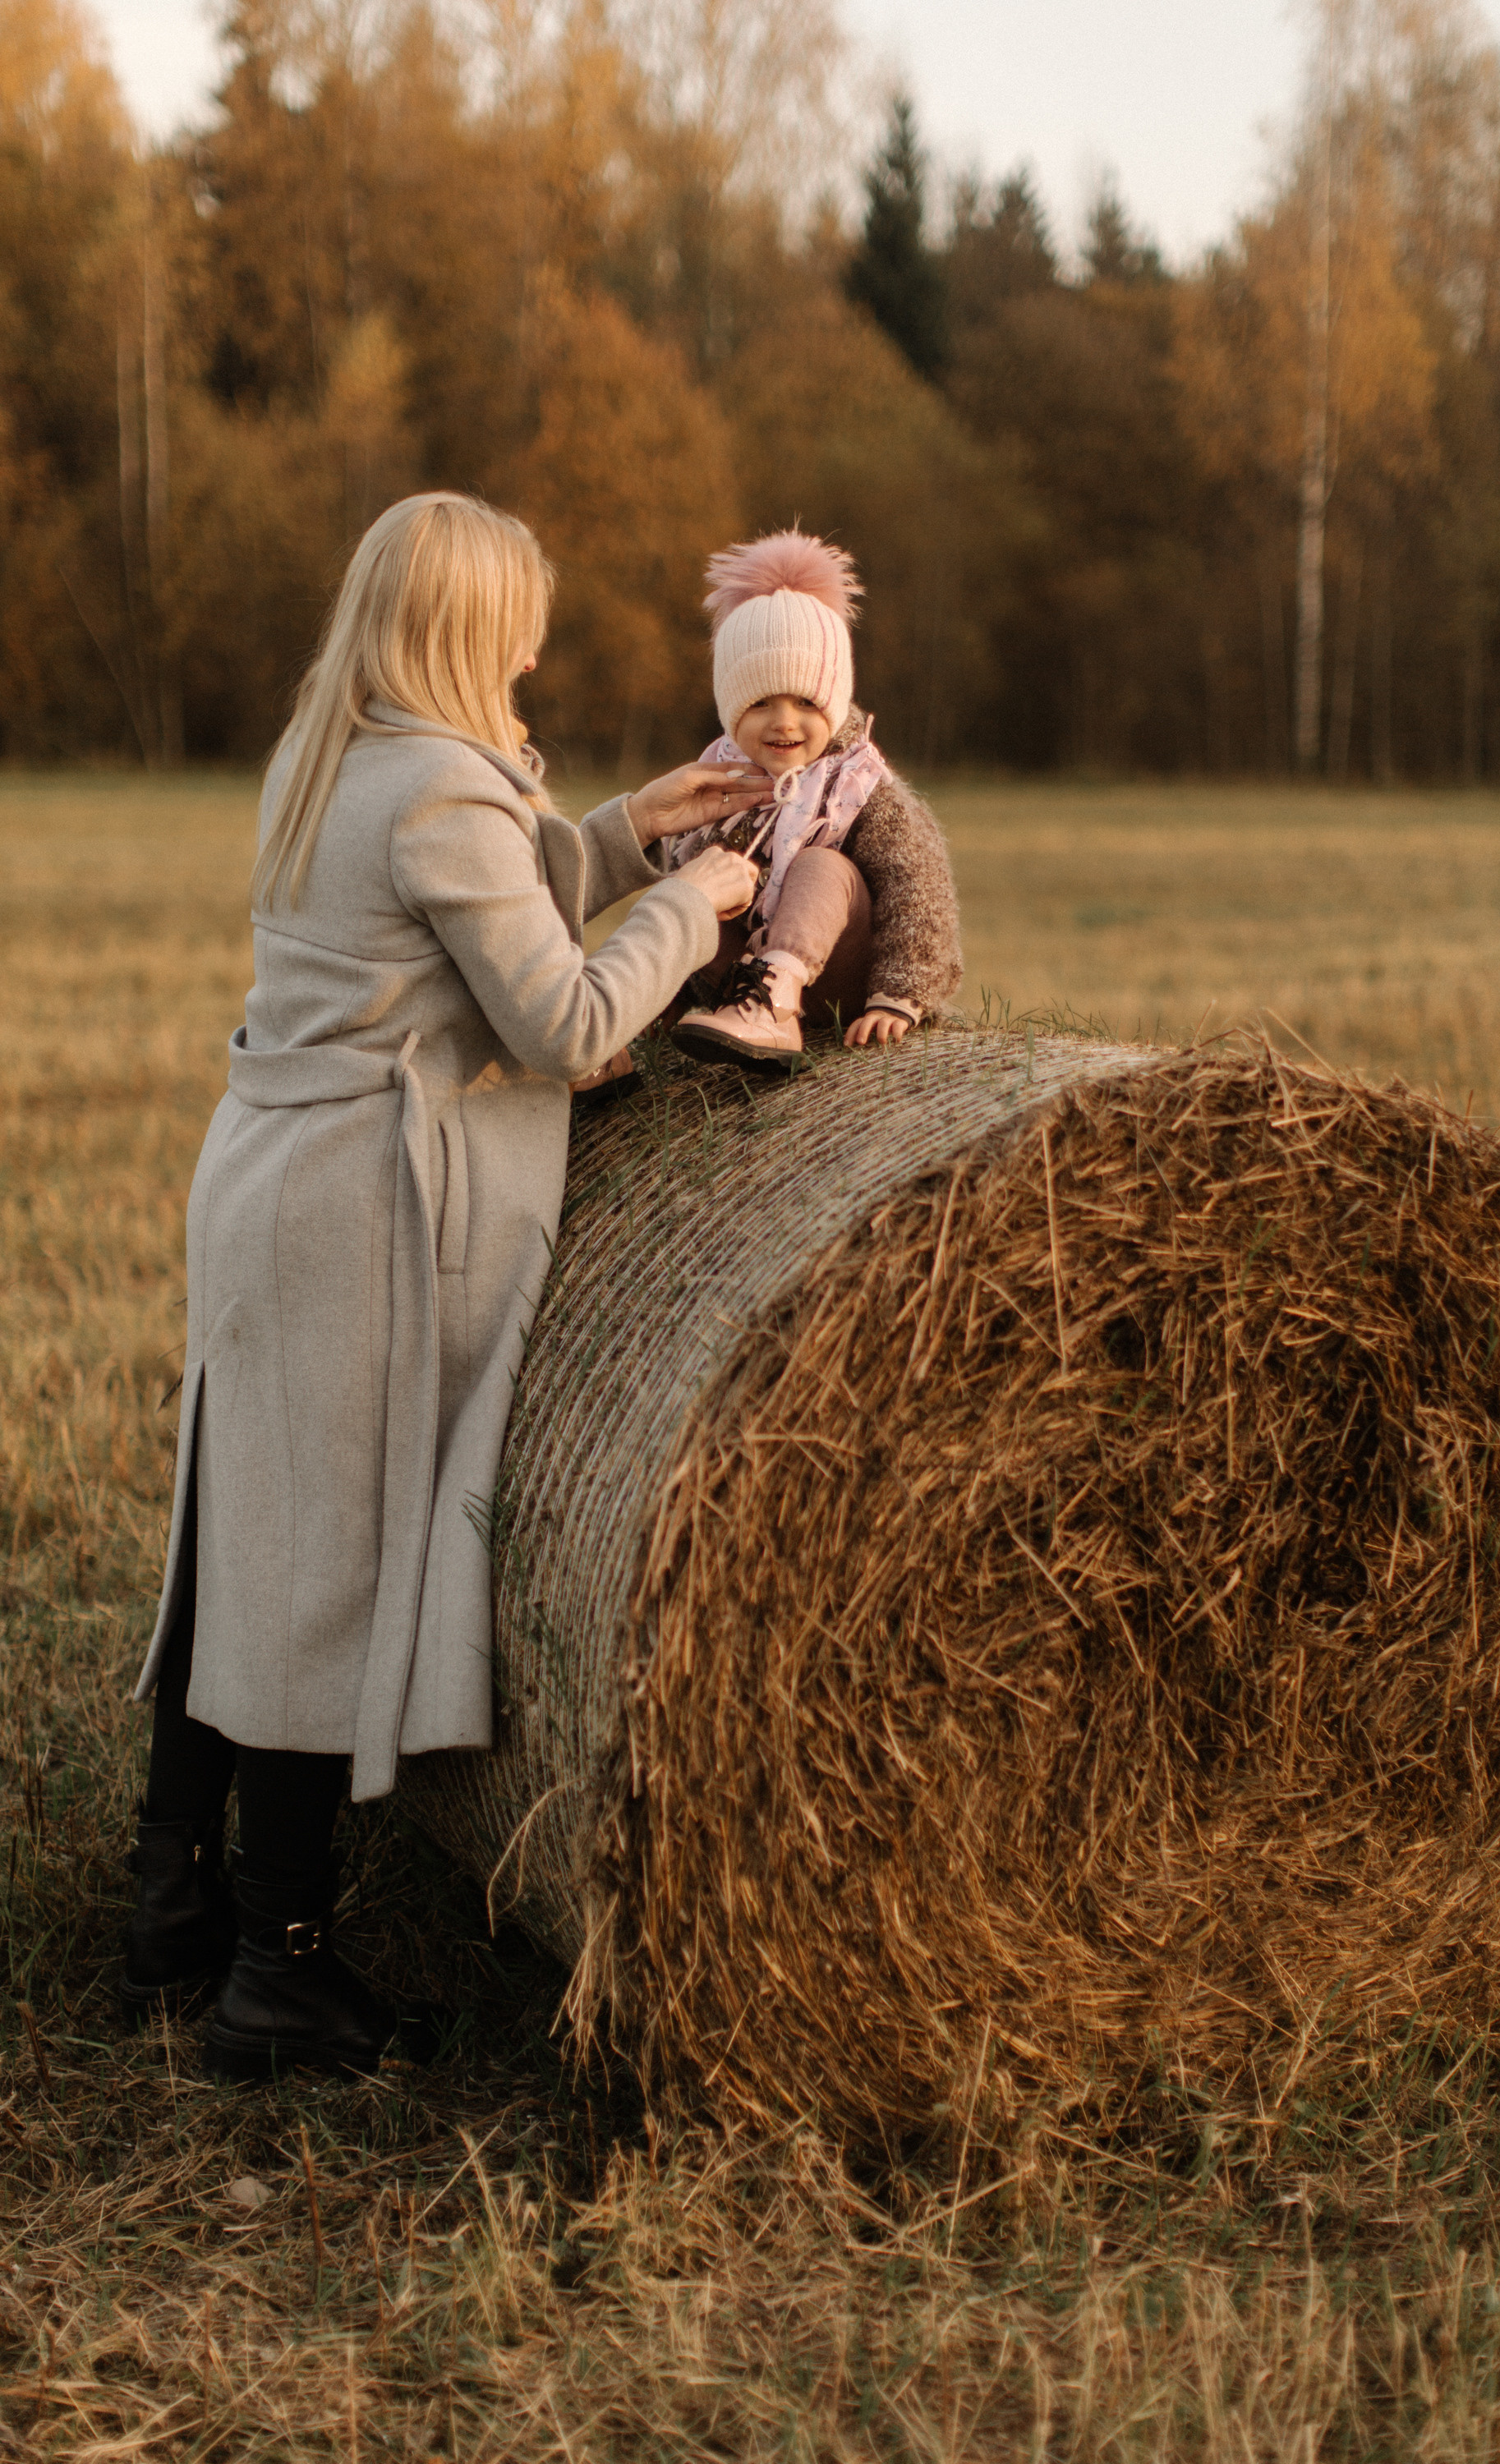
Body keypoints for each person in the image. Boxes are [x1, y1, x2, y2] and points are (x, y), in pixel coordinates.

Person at [118, 492, 762, 2079]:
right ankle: (279, 1974)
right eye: (521, 617)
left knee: (241, 1531)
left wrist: (615, 830)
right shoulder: (444, 797)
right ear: (469, 627)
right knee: (314, 1571)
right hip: (360, 1214)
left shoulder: (332, 751)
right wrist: (694, 903)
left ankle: (169, 1903)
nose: (537, 642)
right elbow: (559, 1023)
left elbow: (448, 921)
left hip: (268, 1177)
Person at [665, 531, 964, 1064]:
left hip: (841, 980)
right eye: (760, 703)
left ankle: (776, 1006)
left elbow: (918, 887)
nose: (784, 722)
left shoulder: (859, 783)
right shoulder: (715, 778)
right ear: (731, 709)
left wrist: (900, 995)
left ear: (833, 701)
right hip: (736, 977)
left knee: (822, 867)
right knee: (687, 889)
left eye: (806, 701)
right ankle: (631, 1027)